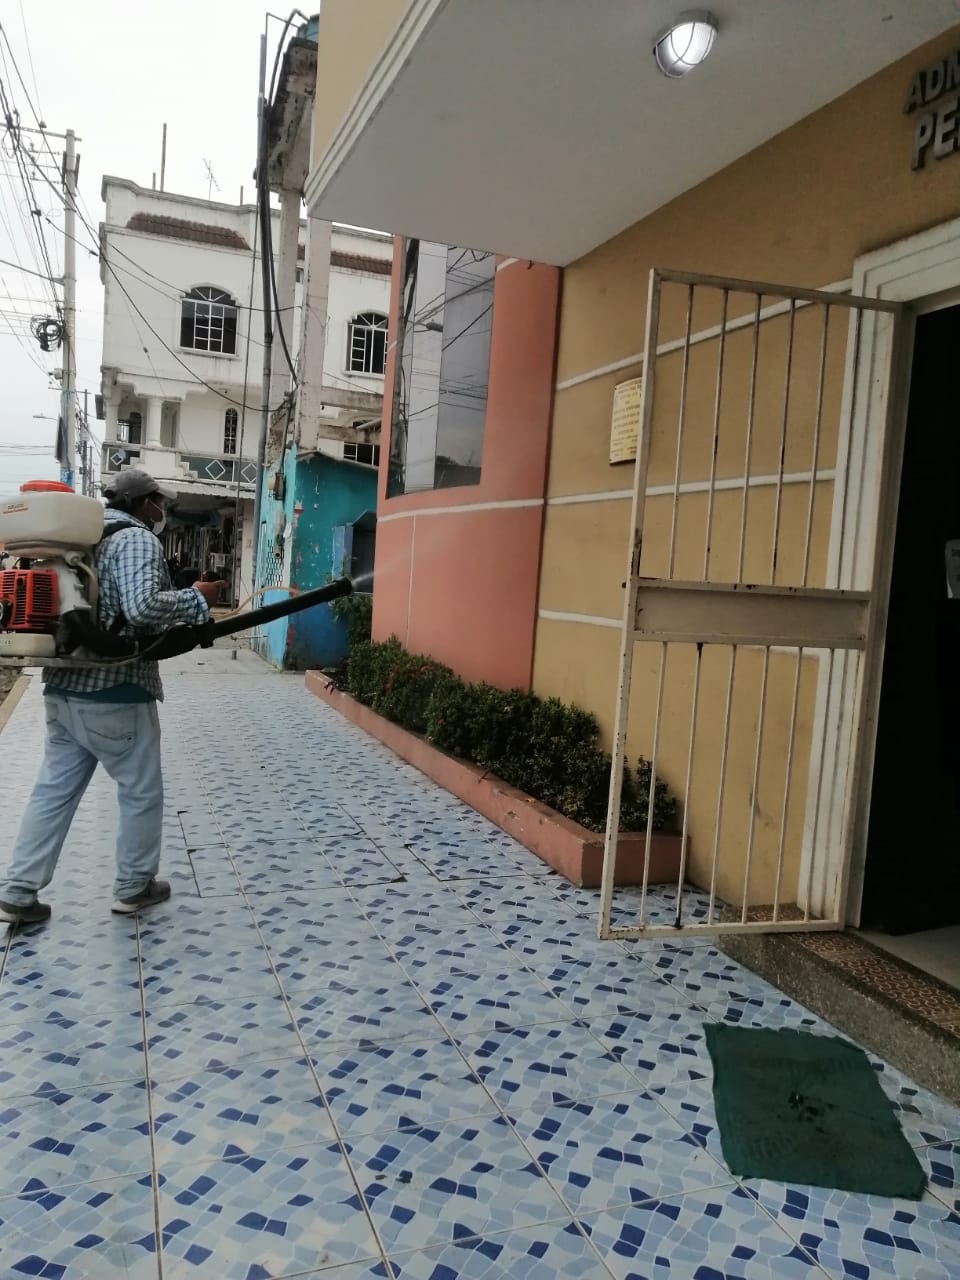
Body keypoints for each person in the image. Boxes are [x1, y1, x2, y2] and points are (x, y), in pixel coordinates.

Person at [0, 469, 225, 925]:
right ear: (145, 503)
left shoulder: (79, 539)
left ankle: (18, 891)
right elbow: (142, 607)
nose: (162, 511)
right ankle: (135, 885)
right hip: (116, 690)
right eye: (159, 502)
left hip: (63, 690)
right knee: (141, 791)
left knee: (53, 792)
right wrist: (196, 598)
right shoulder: (136, 539)